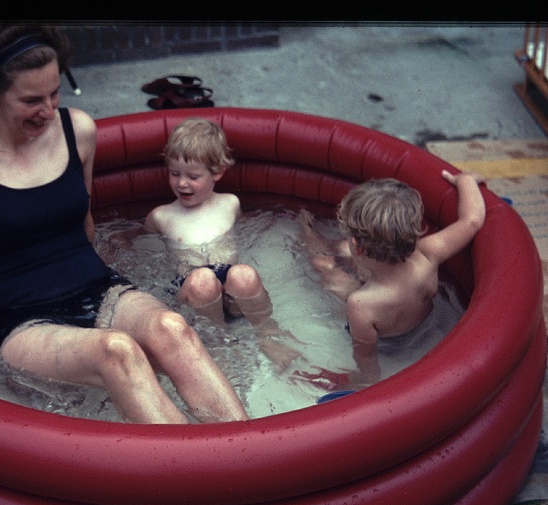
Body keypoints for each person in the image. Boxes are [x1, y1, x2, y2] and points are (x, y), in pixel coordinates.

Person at [0, 25, 248, 424]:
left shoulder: (77, 131)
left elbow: (84, 221)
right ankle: (201, 480)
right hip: (20, 320)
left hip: (94, 288)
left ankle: (254, 461)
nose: (47, 109)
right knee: (117, 351)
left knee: (171, 327)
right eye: (31, 100)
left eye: (54, 93)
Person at [123, 117, 302, 372]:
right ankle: (220, 342)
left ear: (217, 172)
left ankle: (268, 334)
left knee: (244, 274)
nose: (181, 183)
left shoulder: (229, 204)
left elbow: (249, 224)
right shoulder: (162, 216)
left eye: (193, 176)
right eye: (174, 173)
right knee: (202, 280)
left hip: (231, 290)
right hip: (194, 293)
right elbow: (135, 240)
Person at [296, 171, 486, 389]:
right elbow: (472, 221)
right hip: (425, 329)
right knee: (341, 250)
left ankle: (307, 231)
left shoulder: (360, 303)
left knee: (324, 265)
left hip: (388, 347)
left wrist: (358, 381)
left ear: (358, 246)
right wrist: (466, 180)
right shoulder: (428, 254)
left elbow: (366, 357)